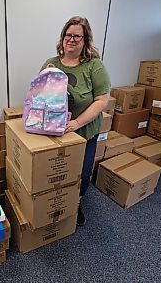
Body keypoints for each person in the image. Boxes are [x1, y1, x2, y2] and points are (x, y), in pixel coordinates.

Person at [41, 16, 110, 226]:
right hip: (55, 131)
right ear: (62, 39)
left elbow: (102, 100)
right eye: (68, 35)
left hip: (83, 131)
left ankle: (76, 203)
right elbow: (40, 96)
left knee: (84, 170)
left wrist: (77, 122)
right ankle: (53, 203)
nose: (71, 39)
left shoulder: (94, 66)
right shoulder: (50, 63)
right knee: (57, 171)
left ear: (85, 41)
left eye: (77, 36)